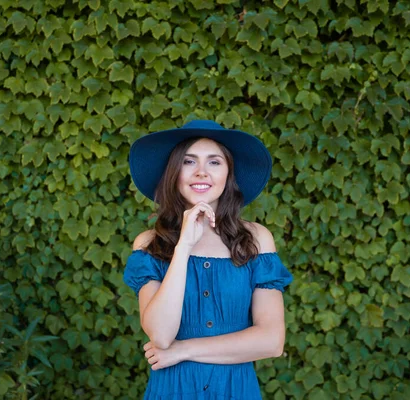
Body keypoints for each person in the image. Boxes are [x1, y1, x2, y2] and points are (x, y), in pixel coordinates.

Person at [123, 120, 293, 399]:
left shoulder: (256, 239)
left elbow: (272, 341)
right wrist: (183, 247)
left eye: (214, 162)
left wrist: (184, 350)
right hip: (173, 391)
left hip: (235, 391)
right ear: (174, 172)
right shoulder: (149, 243)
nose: (201, 172)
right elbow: (161, 336)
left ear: (229, 174)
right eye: (189, 161)